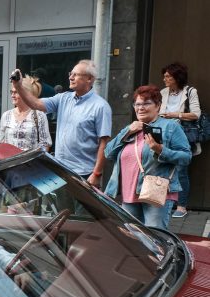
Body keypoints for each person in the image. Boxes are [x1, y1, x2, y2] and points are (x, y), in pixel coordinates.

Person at [12, 60, 112, 187]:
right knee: (63, 208)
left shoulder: (100, 106)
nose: (71, 77)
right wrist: (19, 86)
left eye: (76, 75)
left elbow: (104, 143)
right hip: (60, 170)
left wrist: (96, 173)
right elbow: (35, 104)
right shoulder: (63, 98)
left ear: (89, 79)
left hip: (84, 174)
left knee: (82, 207)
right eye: (71, 73)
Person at [104, 85, 190, 230]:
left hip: (156, 192)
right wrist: (128, 132)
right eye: (137, 104)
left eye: (146, 103)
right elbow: (108, 153)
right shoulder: (131, 128)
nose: (141, 108)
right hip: (129, 194)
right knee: (133, 239)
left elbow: (186, 157)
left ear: (158, 106)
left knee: (154, 238)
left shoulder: (170, 127)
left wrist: (160, 150)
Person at [160, 62, 201, 219]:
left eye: (168, 76)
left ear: (177, 77)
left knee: (181, 171)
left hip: (181, 135)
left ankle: (181, 206)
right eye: (164, 76)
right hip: (164, 134)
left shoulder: (190, 92)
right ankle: (165, 202)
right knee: (163, 169)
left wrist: (174, 115)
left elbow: (195, 114)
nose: (165, 79)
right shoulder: (163, 92)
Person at [0, 76, 52, 151]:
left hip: (30, 161)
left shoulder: (39, 115)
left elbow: (45, 144)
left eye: (16, 92)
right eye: (11, 92)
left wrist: (34, 157)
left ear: (25, 93)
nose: (12, 95)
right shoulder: (6, 115)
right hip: (9, 162)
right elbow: (0, 143)